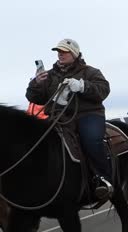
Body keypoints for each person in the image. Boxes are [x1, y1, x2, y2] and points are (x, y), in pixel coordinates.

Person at [26, 38, 112, 200]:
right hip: (58, 116)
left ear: (74, 54)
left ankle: (104, 179)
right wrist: (36, 83)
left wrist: (82, 86)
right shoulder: (48, 76)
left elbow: (103, 90)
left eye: (64, 51)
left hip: (88, 114)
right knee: (37, 140)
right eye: (58, 51)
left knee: (91, 140)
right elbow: (33, 97)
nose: (60, 54)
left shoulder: (91, 72)